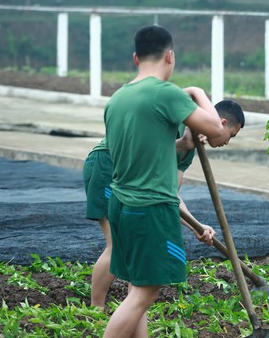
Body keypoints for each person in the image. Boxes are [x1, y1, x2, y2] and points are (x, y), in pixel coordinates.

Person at [101, 25, 243, 338]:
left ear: (136, 58)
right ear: (170, 56)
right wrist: (197, 92)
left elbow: (148, 147)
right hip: (150, 208)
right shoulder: (164, 94)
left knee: (136, 290)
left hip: (121, 204)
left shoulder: (117, 99)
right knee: (144, 294)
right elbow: (218, 130)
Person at [82, 99, 244, 308]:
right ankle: (97, 309)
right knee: (116, 244)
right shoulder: (180, 119)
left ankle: (130, 308)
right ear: (221, 122)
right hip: (109, 164)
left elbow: (169, 194)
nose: (227, 142)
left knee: (130, 248)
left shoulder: (189, 151)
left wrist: (197, 226)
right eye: (231, 135)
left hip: (131, 179)